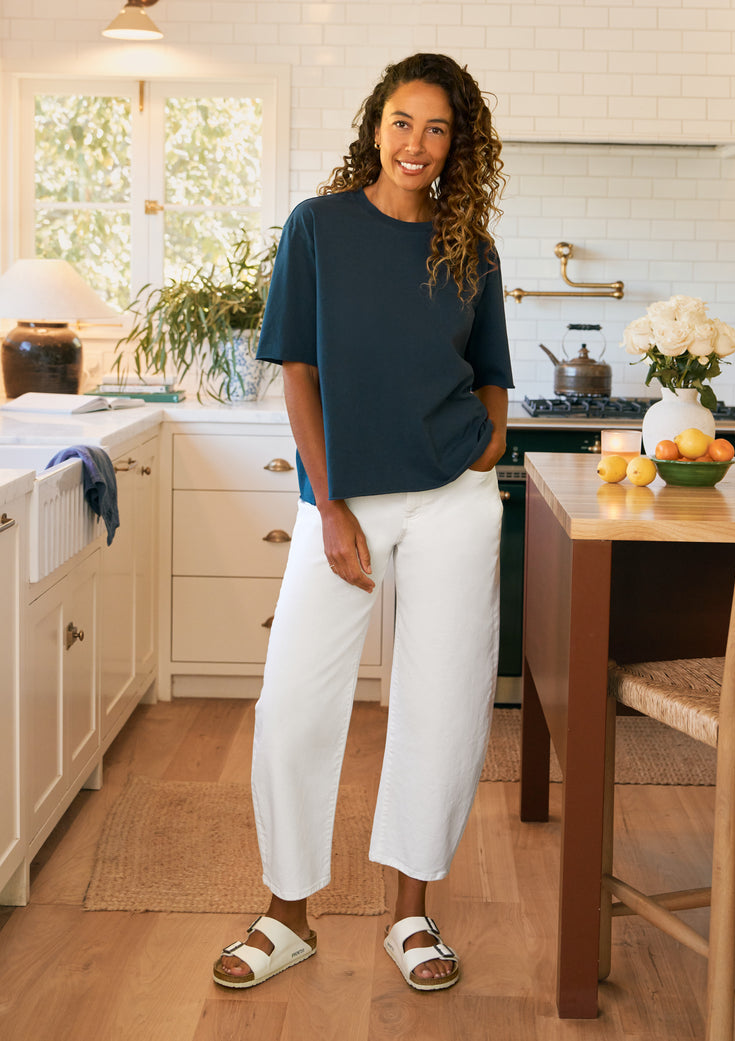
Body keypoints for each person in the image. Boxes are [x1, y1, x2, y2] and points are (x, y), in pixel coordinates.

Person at [212, 52, 513, 994]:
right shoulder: (318, 228)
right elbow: (296, 369)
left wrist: (487, 443)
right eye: (401, 121)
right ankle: (287, 914)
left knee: (443, 702)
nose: (415, 143)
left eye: (436, 128)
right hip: (343, 499)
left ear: (458, 145)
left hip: (453, 503)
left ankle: (411, 914)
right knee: (296, 701)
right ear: (374, 126)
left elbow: (494, 370)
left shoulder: (473, 244)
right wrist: (328, 501)